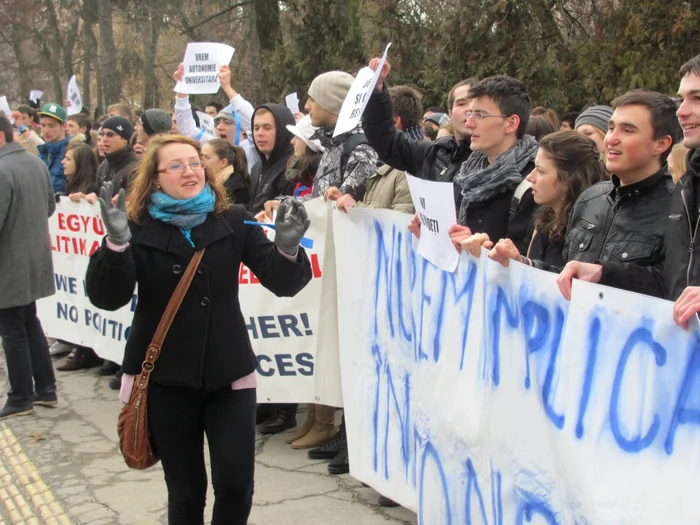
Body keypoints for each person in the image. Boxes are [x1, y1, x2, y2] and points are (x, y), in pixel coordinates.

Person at [86, 134, 312, 524]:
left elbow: (284, 283)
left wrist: (288, 249)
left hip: (228, 377)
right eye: (176, 165)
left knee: (236, 486)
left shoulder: (233, 218)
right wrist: (116, 244)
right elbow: (108, 297)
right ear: (155, 178)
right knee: (187, 491)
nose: (190, 171)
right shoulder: (135, 227)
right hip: (165, 381)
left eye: (195, 162)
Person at [542, 90, 679, 300]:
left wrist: (605, 274)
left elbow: (674, 288)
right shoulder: (590, 198)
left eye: (628, 131)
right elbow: (567, 276)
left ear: (661, 144)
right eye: (611, 128)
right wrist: (521, 265)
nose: (611, 139)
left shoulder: (679, 209)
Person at [462, 131, 606, 268]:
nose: (530, 177)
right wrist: (488, 252)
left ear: (569, 180)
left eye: (541, 171)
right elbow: (526, 269)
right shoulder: (541, 220)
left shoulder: (589, 232)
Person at [0, 115, 58, 419]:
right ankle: (46, 389)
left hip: (9, 263)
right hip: (33, 257)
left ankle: (21, 396)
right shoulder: (34, 161)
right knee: (28, 322)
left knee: (12, 330)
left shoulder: (2, 168)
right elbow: (50, 206)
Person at [363, 58, 477, 211]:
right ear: (450, 114)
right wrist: (376, 93)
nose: (470, 110)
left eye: (476, 104)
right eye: (462, 103)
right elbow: (385, 139)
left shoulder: (497, 160)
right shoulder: (431, 154)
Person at [446, 75, 538, 251]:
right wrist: (432, 229)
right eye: (469, 113)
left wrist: (485, 250)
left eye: (480, 115)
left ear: (511, 123)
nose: (469, 123)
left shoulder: (533, 183)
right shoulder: (466, 174)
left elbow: (527, 262)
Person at [53, 143, 105, 371]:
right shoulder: (70, 185)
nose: (63, 163)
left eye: (69, 159)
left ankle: (87, 352)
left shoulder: (92, 187)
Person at [304, 71, 379, 202]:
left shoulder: (360, 149)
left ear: (331, 102)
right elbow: (318, 200)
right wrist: (282, 205)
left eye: (313, 99)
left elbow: (340, 209)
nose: (306, 106)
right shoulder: (334, 143)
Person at [173, 64, 260, 172]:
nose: (219, 127)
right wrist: (182, 88)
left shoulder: (252, 148)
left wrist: (227, 87)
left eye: (227, 123)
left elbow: (253, 122)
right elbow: (187, 129)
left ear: (242, 129)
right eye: (218, 122)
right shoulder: (213, 145)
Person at [247, 104, 296, 214]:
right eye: (256, 128)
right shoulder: (257, 167)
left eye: (267, 128)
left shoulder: (294, 168)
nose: (260, 133)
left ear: (283, 131)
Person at [94, 116, 139, 193]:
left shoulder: (135, 169)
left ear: (125, 139)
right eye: (102, 134)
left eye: (110, 134)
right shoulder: (103, 166)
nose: (104, 139)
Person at [201, 139, 250, 205]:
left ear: (223, 162)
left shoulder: (237, 189)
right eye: (201, 156)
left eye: (207, 157)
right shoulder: (208, 182)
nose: (201, 161)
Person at [37, 103, 70, 193]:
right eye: (43, 125)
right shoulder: (42, 152)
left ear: (64, 126)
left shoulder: (72, 152)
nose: (46, 131)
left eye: (51, 126)